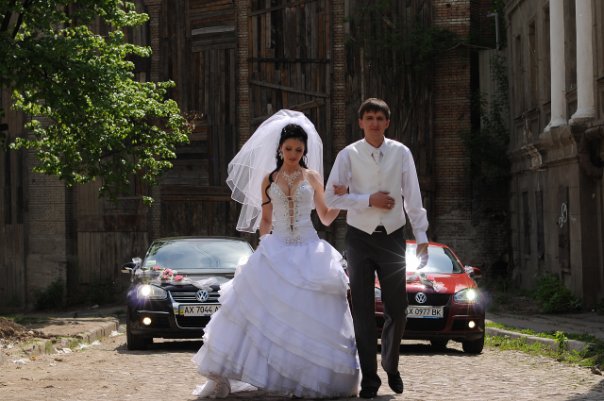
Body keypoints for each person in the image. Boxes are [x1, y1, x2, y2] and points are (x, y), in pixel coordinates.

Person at [191, 109, 360, 399]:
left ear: (305, 151)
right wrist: (263, 248)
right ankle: (238, 375)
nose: (293, 154)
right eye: (288, 148)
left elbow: (325, 216)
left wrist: (342, 199)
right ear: (280, 149)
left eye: (299, 149)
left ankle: (310, 378)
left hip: (309, 248)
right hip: (277, 246)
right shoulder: (268, 179)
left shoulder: (313, 177)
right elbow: (266, 219)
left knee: (308, 315)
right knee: (260, 312)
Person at [325, 97, 429, 399]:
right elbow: (331, 198)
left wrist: (421, 235)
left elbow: (412, 196)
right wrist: (367, 199)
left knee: (398, 309)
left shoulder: (401, 152)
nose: (374, 123)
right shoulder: (348, 154)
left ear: (387, 122)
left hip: (393, 237)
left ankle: (390, 364)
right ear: (360, 122)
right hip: (360, 238)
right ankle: (369, 379)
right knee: (363, 311)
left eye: (379, 118)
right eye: (369, 118)